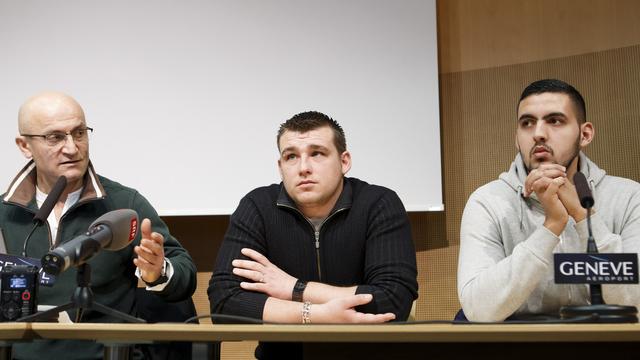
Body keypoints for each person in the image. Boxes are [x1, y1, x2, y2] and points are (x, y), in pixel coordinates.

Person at [0, 92, 197, 359]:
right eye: (55, 137)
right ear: (24, 146)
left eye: (79, 133)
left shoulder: (124, 204)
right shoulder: (4, 212)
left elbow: (185, 276)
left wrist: (158, 271)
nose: (72, 147)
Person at [208, 111, 418, 358]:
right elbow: (225, 304)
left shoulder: (379, 203)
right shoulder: (258, 206)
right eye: (291, 157)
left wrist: (294, 289)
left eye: (317, 153)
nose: (303, 168)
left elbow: (393, 300)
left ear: (344, 161)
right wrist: (317, 315)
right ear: (280, 166)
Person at [457, 79, 640, 322]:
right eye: (527, 123)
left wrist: (582, 216)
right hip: (519, 347)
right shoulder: (488, 201)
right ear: (516, 138)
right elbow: (478, 309)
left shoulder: (628, 197)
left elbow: (634, 302)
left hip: (606, 344)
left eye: (555, 121)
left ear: (585, 134)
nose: (538, 134)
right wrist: (551, 227)